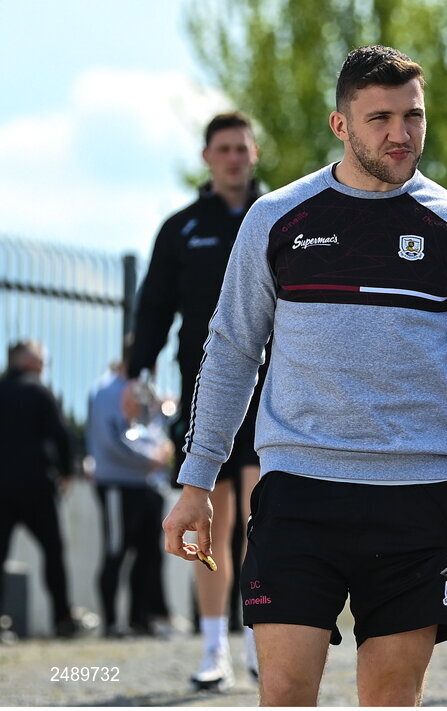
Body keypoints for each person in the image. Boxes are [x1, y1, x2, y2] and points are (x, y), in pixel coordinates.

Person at [162, 45, 447, 707]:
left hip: (414, 495)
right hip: (298, 493)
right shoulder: (277, 218)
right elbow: (232, 351)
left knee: (390, 696)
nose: (400, 132)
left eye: (412, 115)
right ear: (341, 125)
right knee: (286, 691)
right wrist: (196, 480)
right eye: (379, 116)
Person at [126, 111, 265, 688]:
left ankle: (263, 644)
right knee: (210, 518)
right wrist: (136, 376)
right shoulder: (180, 228)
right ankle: (215, 650)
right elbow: (154, 307)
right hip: (204, 393)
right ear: (207, 158)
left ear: (254, 155)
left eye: (242, 148)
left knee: (266, 522)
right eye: (223, 149)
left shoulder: (279, 216)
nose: (233, 157)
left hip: (276, 393)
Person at [87, 347, 175, 638]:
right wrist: (149, 459)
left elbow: (154, 429)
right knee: (116, 550)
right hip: (118, 483)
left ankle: (140, 619)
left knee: (148, 554)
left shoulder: (144, 390)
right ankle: (111, 622)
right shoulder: (107, 391)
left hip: (147, 485)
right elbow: (111, 439)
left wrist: (161, 452)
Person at [0, 341, 81, 638]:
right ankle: (62, 618)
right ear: (32, 362)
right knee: (53, 552)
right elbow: (61, 436)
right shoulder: (39, 391)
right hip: (36, 486)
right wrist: (68, 471)